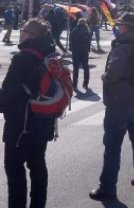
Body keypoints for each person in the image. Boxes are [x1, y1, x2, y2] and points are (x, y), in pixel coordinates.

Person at [89, 13, 134, 201]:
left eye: (120, 25)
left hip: (120, 102)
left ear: (125, 27)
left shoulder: (123, 45)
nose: (118, 28)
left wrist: (105, 77)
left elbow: (114, 72)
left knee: (112, 146)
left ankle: (108, 187)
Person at [0, 19, 56, 208]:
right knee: (38, 165)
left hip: (20, 125)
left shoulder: (23, 58)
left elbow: (7, 93)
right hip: (44, 121)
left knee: (14, 170)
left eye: (23, 30)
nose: (21, 32)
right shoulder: (49, 53)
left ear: (30, 35)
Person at [69, 18, 92, 90]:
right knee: (86, 67)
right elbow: (88, 41)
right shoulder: (87, 30)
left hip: (76, 51)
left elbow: (71, 40)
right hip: (84, 50)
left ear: (78, 23)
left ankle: (74, 84)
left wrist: (71, 49)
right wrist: (88, 50)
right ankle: (85, 83)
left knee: (75, 68)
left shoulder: (74, 29)